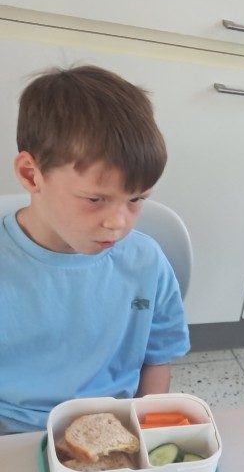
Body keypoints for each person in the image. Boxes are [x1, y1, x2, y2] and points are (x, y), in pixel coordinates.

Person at [0, 65, 190, 435]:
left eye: (136, 199)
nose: (118, 223)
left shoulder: (147, 262)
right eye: (95, 199)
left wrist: (143, 432)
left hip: (113, 429)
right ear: (30, 174)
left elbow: (157, 358)